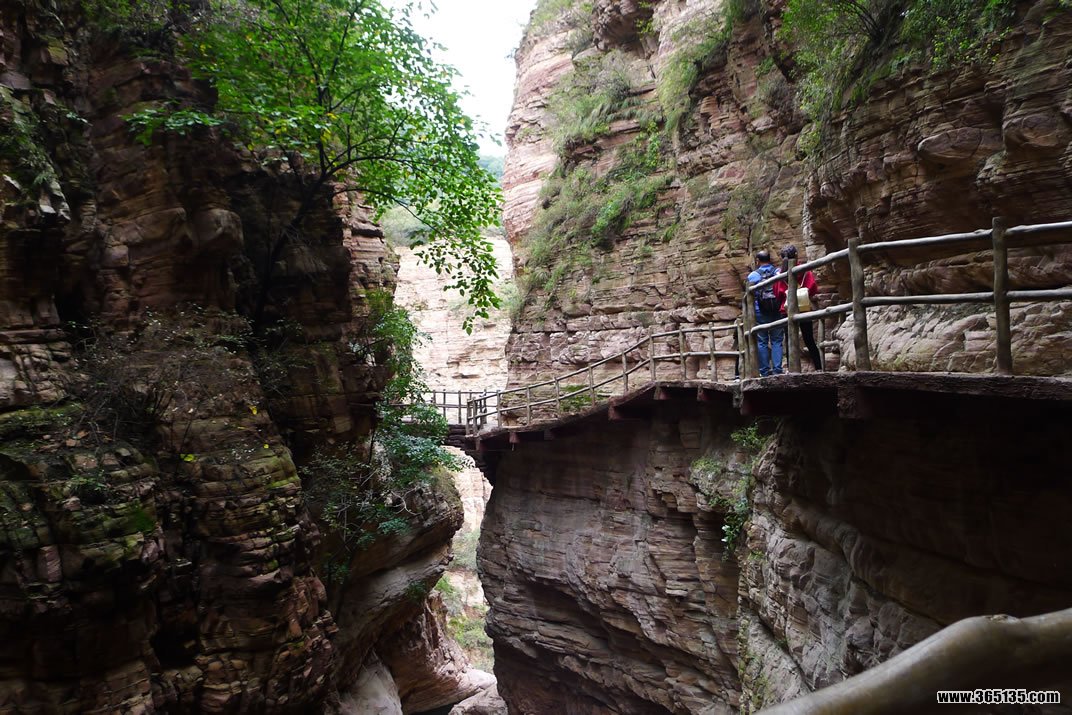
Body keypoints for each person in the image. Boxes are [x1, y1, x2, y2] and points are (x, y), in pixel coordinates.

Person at [775, 244, 823, 371]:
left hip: (786, 309)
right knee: (809, 339)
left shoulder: (780, 274)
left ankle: (792, 369)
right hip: (803, 307)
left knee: (789, 340)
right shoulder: (805, 271)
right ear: (796, 255)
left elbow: (777, 294)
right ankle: (818, 368)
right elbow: (813, 288)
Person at [747, 250, 784, 376]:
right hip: (777, 309)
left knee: (762, 341)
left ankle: (764, 371)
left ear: (757, 261)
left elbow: (750, 295)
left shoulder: (753, 276)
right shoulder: (778, 272)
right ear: (770, 259)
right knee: (777, 340)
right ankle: (777, 370)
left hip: (760, 311)